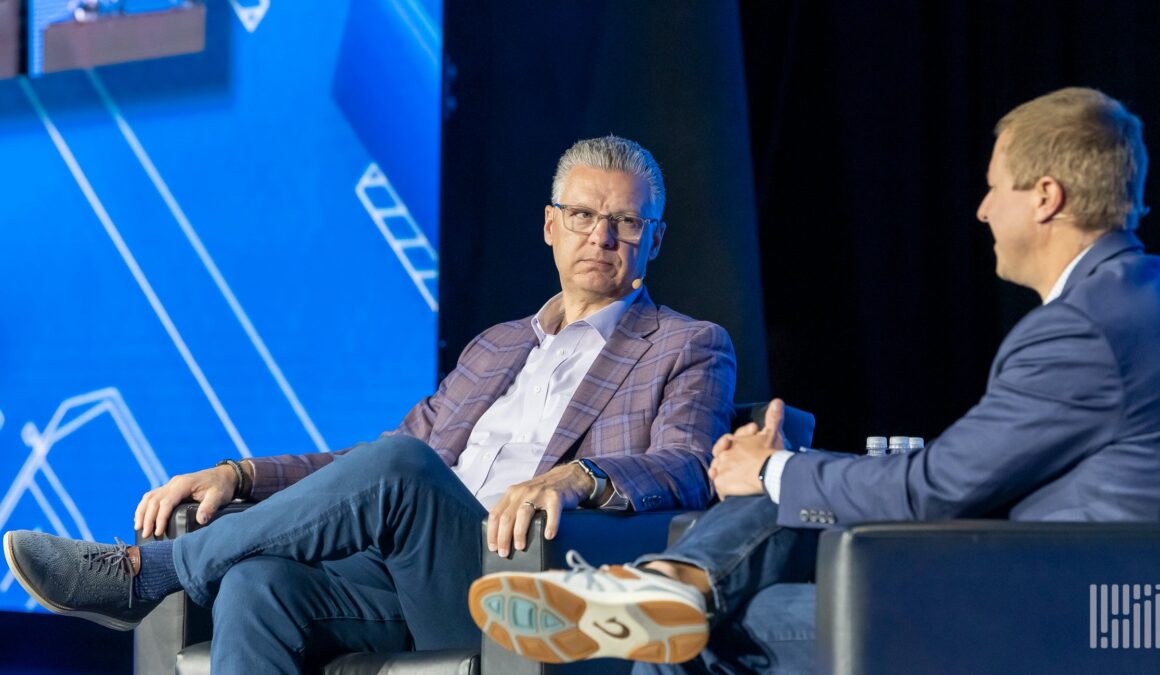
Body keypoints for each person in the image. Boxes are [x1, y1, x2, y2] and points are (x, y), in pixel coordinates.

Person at [468, 88, 1160, 672]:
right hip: (1079, 592)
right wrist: (781, 472)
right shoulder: (1132, 303)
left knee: (708, 627)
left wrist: (775, 469)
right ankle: (666, 585)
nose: (982, 210)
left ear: (1045, 197)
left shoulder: (1084, 329)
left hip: (1073, 613)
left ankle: (666, 589)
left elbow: (937, 488)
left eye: (993, 190)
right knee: (707, 602)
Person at [3, 135, 737, 673]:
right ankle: (170, 568)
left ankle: (152, 571)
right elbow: (371, 467)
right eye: (582, 215)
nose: (602, 236)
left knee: (401, 465)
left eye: (626, 222)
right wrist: (242, 473)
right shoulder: (497, 347)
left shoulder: (687, 344)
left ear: (654, 241)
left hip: (519, 580)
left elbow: (687, 464)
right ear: (550, 226)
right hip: (408, 576)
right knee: (259, 585)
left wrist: (582, 476)